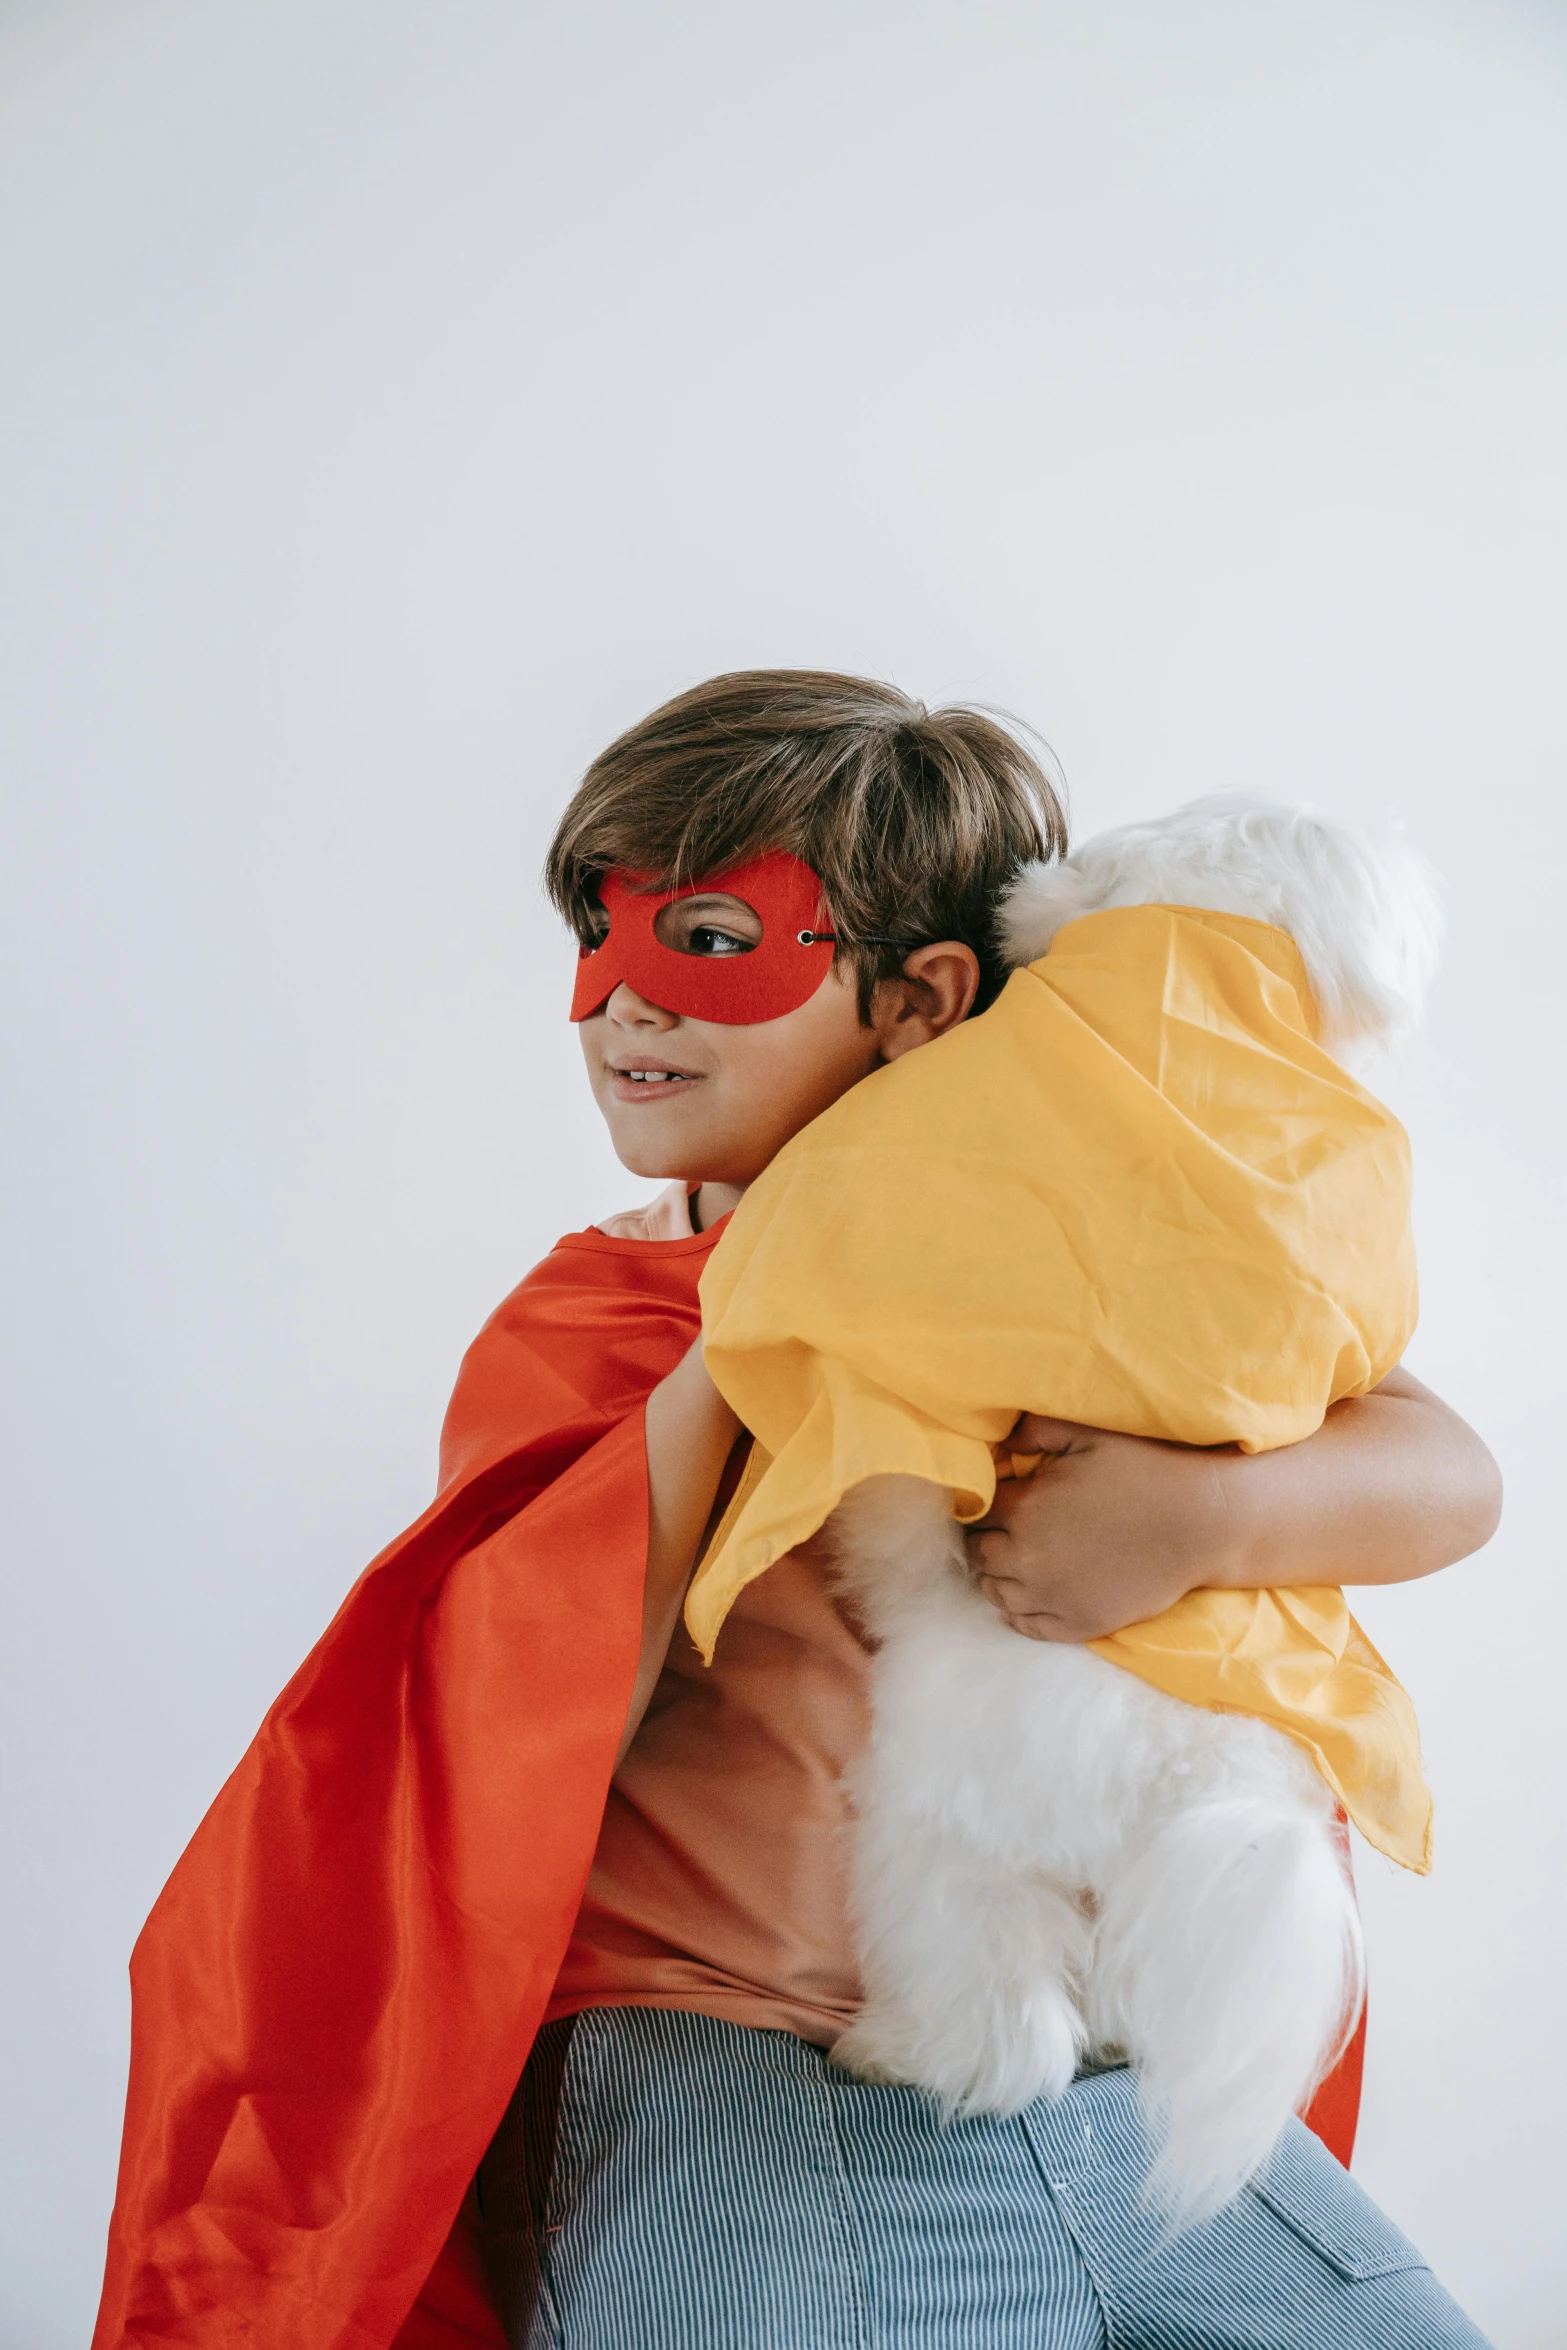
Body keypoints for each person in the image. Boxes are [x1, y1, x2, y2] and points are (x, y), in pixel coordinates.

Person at [92, 672, 1502, 2350]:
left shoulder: (1087, 1263)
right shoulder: (609, 1317)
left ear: (922, 999)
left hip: (1112, 2092)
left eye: (705, 935)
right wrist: (785, 1309)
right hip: (750, 2085)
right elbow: (521, 1700)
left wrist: (1198, 1518)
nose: (614, 1004)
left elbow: (1443, 1468)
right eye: (594, 931)